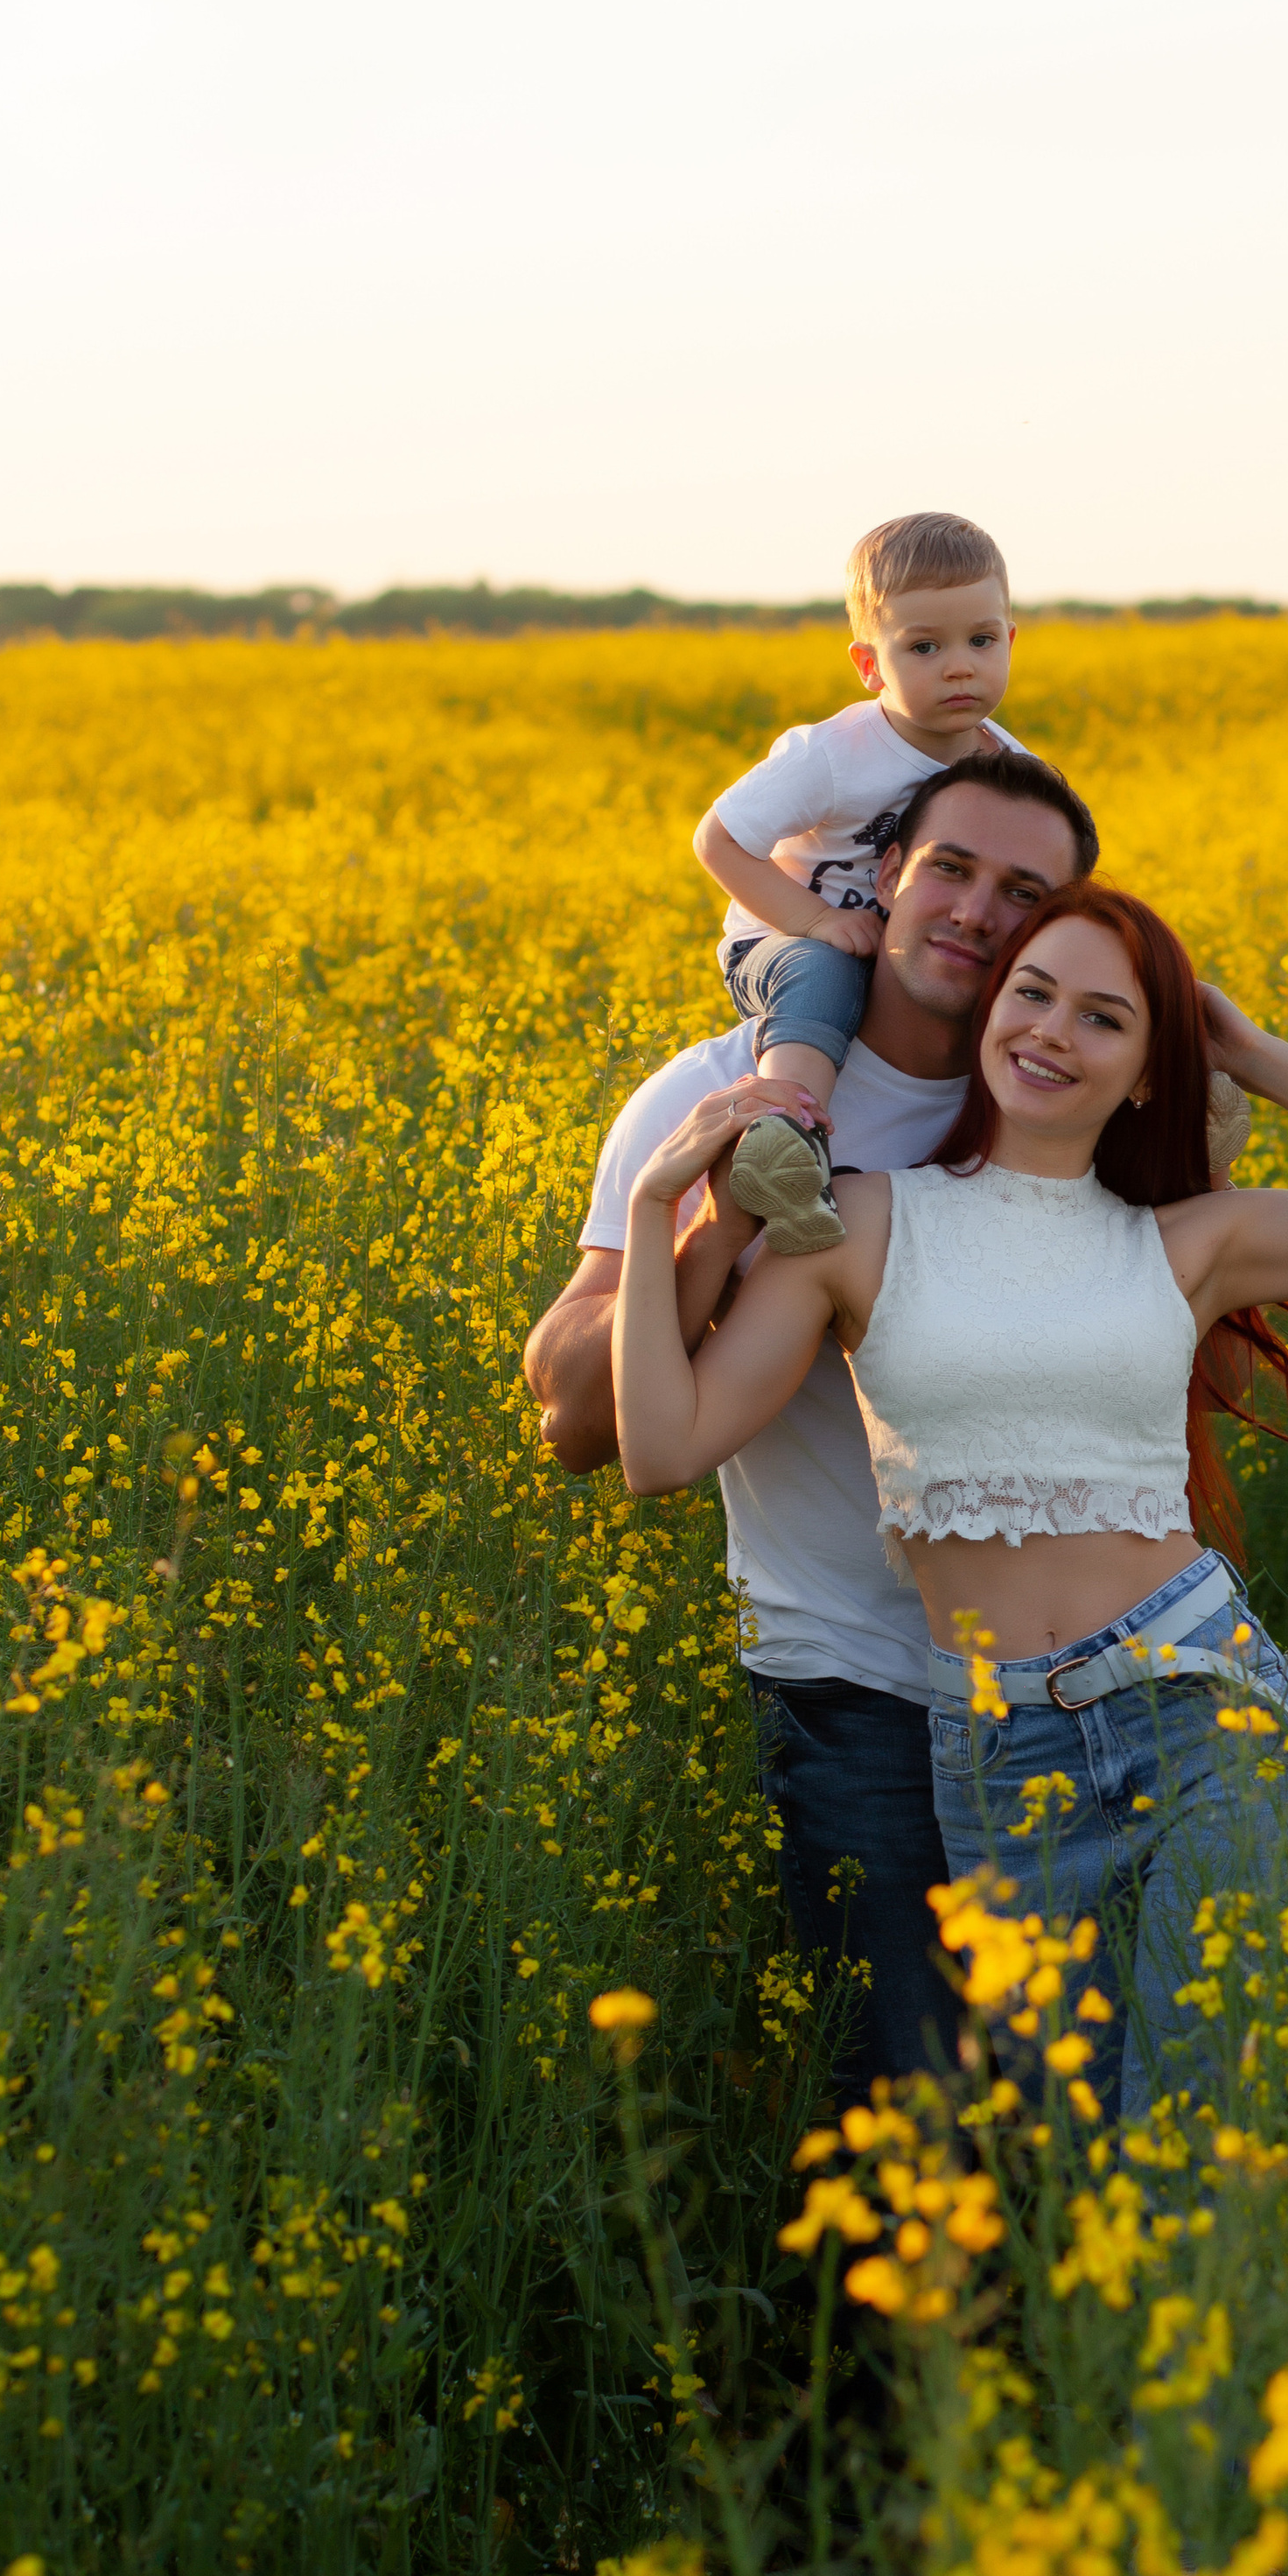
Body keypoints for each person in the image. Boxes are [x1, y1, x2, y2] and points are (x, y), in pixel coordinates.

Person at [608, 879, 1288, 2122]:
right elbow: (662, 1448)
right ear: (990, 1014)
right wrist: (661, 1204)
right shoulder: (857, 1221)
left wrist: (1243, 1048)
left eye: (1104, 1018)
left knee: (1201, 2149)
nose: (1049, 1031)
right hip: (995, 1754)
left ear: (1148, 1072)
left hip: (1200, 1709)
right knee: (1077, 2175)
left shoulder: (1189, 1243)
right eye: (1031, 994)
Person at [525, 747, 1099, 2097]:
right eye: (949, 868)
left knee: (1075, 2126)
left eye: (1022, 892)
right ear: (885, 878)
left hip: (1078, 1690)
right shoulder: (714, 1086)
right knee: (905, 2123)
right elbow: (571, 1416)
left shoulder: (1061, 1090)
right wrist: (722, 1224)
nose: (971, 909)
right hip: (857, 1688)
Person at [690, 512, 1023, 1257]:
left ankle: (1161, 1094)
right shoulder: (834, 755)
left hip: (913, 951)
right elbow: (718, 840)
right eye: (924, 648)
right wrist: (813, 921)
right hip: (783, 942)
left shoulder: (1012, 766)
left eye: (981, 639)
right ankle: (786, 1139)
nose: (960, 666)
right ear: (870, 666)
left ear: (1010, 639)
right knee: (827, 974)